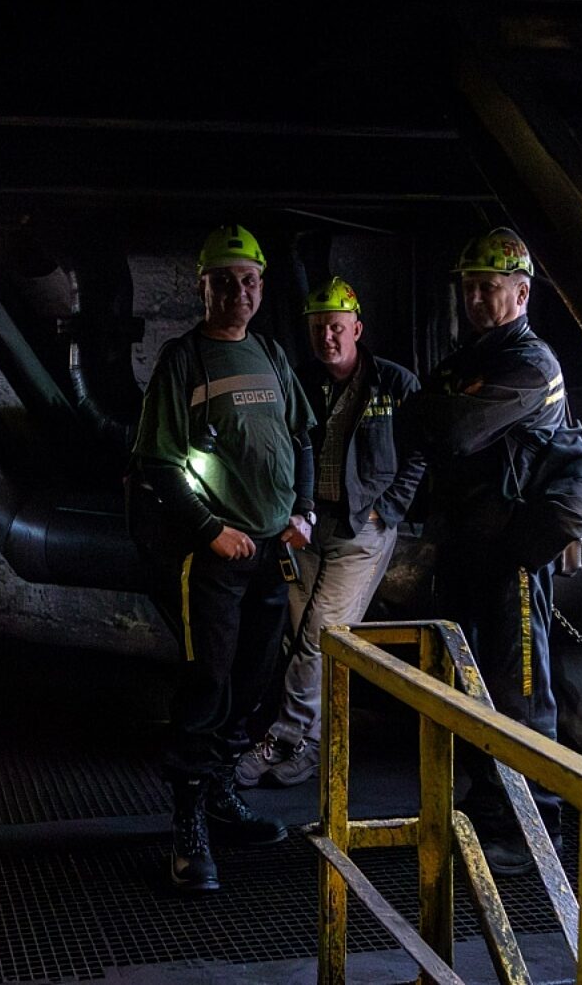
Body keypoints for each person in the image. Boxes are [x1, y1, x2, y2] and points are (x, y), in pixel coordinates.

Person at [129, 224, 315, 894]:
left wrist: (304, 510)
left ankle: (220, 798)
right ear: (202, 287)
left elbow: (302, 437)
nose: (240, 291)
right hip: (214, 557)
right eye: (226, 281)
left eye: (250, 280)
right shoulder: (184, 360)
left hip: (270, 553)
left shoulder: (270, 353)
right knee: (207, 683)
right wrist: (211, 529)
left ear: (261, 288)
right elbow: (157, 463)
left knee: (255, 681)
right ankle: (188, 827)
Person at [408, 226, 570, 876]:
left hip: (512, 558)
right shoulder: (464, 362)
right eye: (470, 288)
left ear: (521, 293)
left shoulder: (532, 365)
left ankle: (538, 826)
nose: (475, 299)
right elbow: (414, 422)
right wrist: (442, 409)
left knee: (521, 691)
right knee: (468, 682)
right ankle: (489, 806)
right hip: (463, 549)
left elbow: (449, 427)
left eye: (489, 288)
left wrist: (446, 409)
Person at [235, 277, 425, 789]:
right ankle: (312, 744)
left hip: (362, 527)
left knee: (319, 636)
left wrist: (387, 509)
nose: (327, 338)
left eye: (337, 328)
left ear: (356, 329)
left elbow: (421, 452)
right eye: (318, 328)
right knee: (304, 637)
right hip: (309, 525)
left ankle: (283, 738)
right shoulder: (301, 381)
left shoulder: (395, 384)